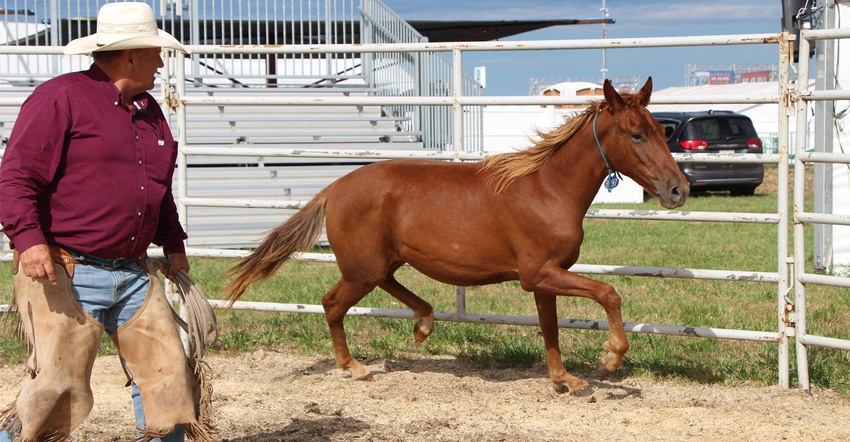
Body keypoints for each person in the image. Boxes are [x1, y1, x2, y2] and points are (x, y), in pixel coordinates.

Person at [0, 3, 213, 441]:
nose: (160, 62)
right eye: (154, 52)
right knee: (54, 391)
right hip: (68, 269)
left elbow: (157, 185)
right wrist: (30, 240)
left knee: (168, 383)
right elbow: (17, 175)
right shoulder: (59, 98)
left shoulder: (151, 111)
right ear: (129, 55)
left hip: (134, 270)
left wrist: (172, 241)